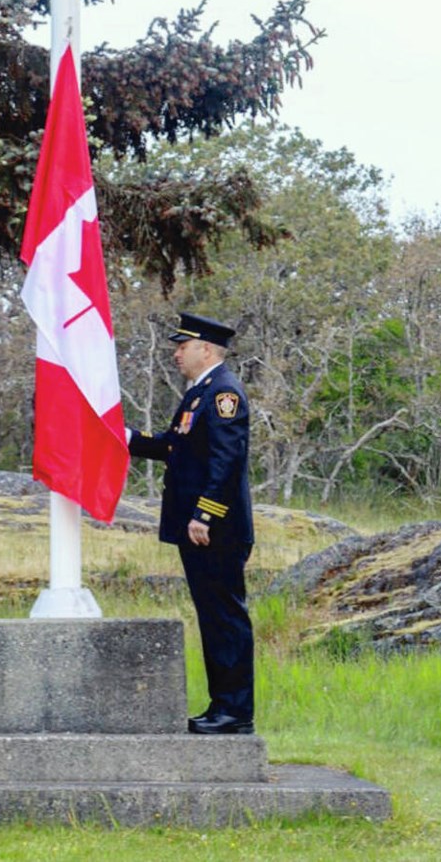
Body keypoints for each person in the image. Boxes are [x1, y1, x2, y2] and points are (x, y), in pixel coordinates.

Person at [127, 312, 255, 735]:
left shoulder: (224, 393)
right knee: (212, 618)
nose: (177, 354)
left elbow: (226, 459)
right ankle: (223, 707)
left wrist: (205, 513)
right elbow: (173, 447)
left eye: (182, 347)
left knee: (225, 618)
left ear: (205, 349)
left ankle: (235, 713)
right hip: (198, 528)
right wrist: (124, 437)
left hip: (215, 529)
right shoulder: (198, 394)